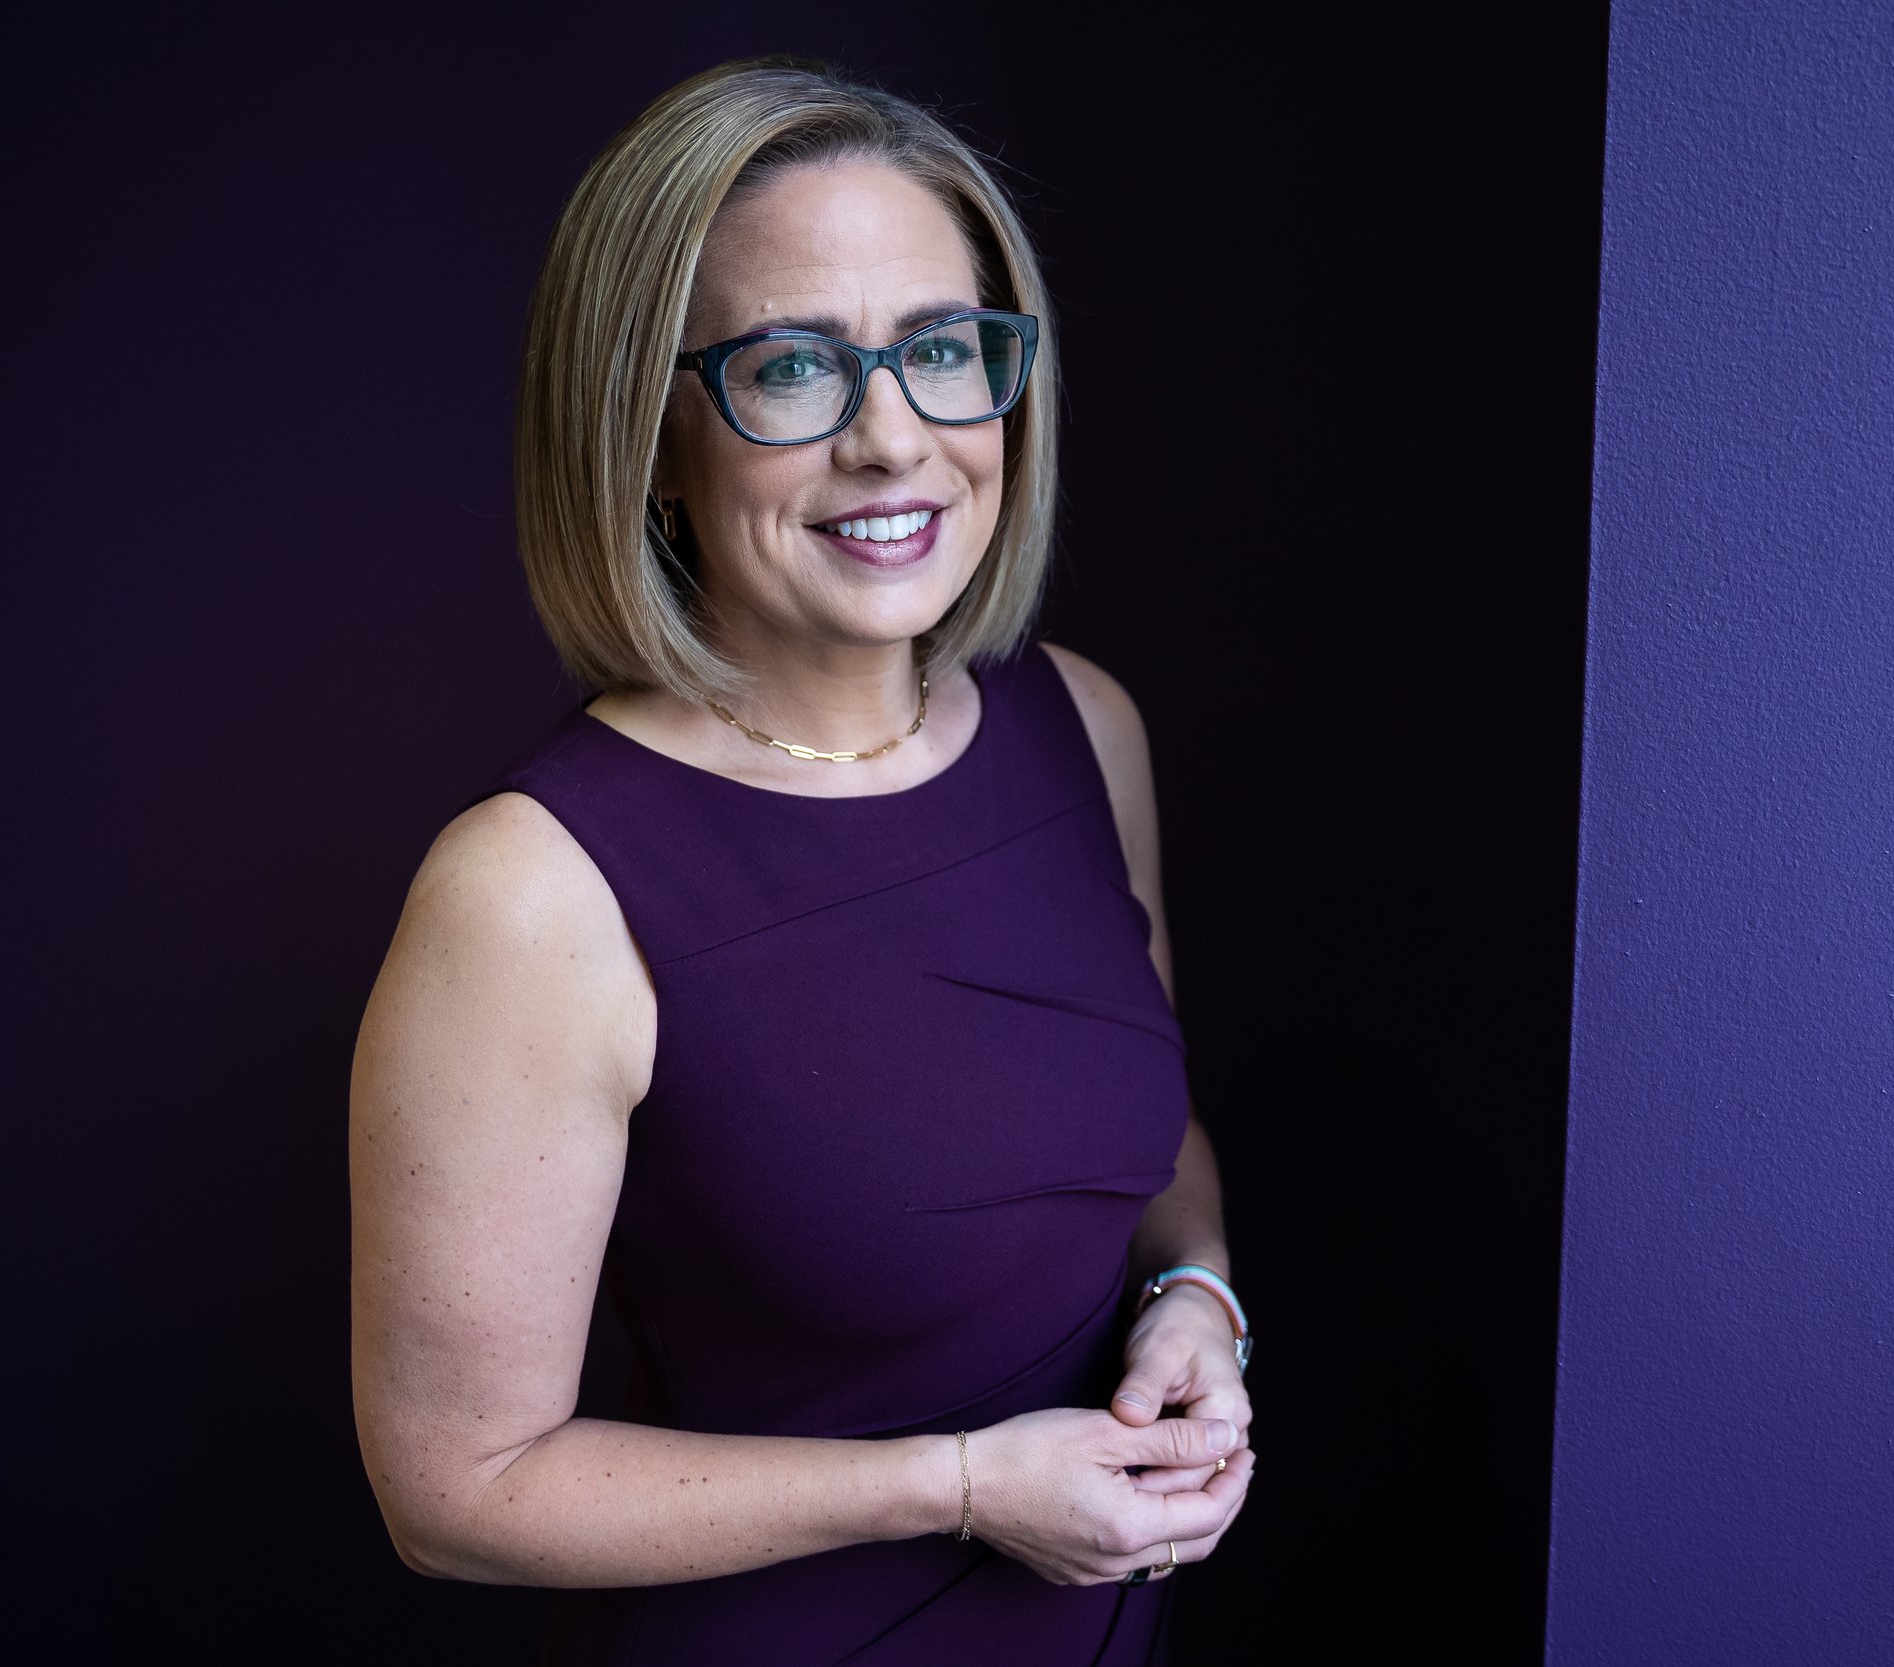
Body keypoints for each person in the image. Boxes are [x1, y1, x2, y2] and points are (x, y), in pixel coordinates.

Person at [347, 55, 1255, 1664]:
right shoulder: (534, 893)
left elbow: (1149, 1127)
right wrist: (964, 1486)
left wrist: (1200, 1297)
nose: (893, 440)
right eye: (791, 372)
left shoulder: (1080, 729)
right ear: (650, 434)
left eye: (943, 350)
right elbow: (458, 1490)